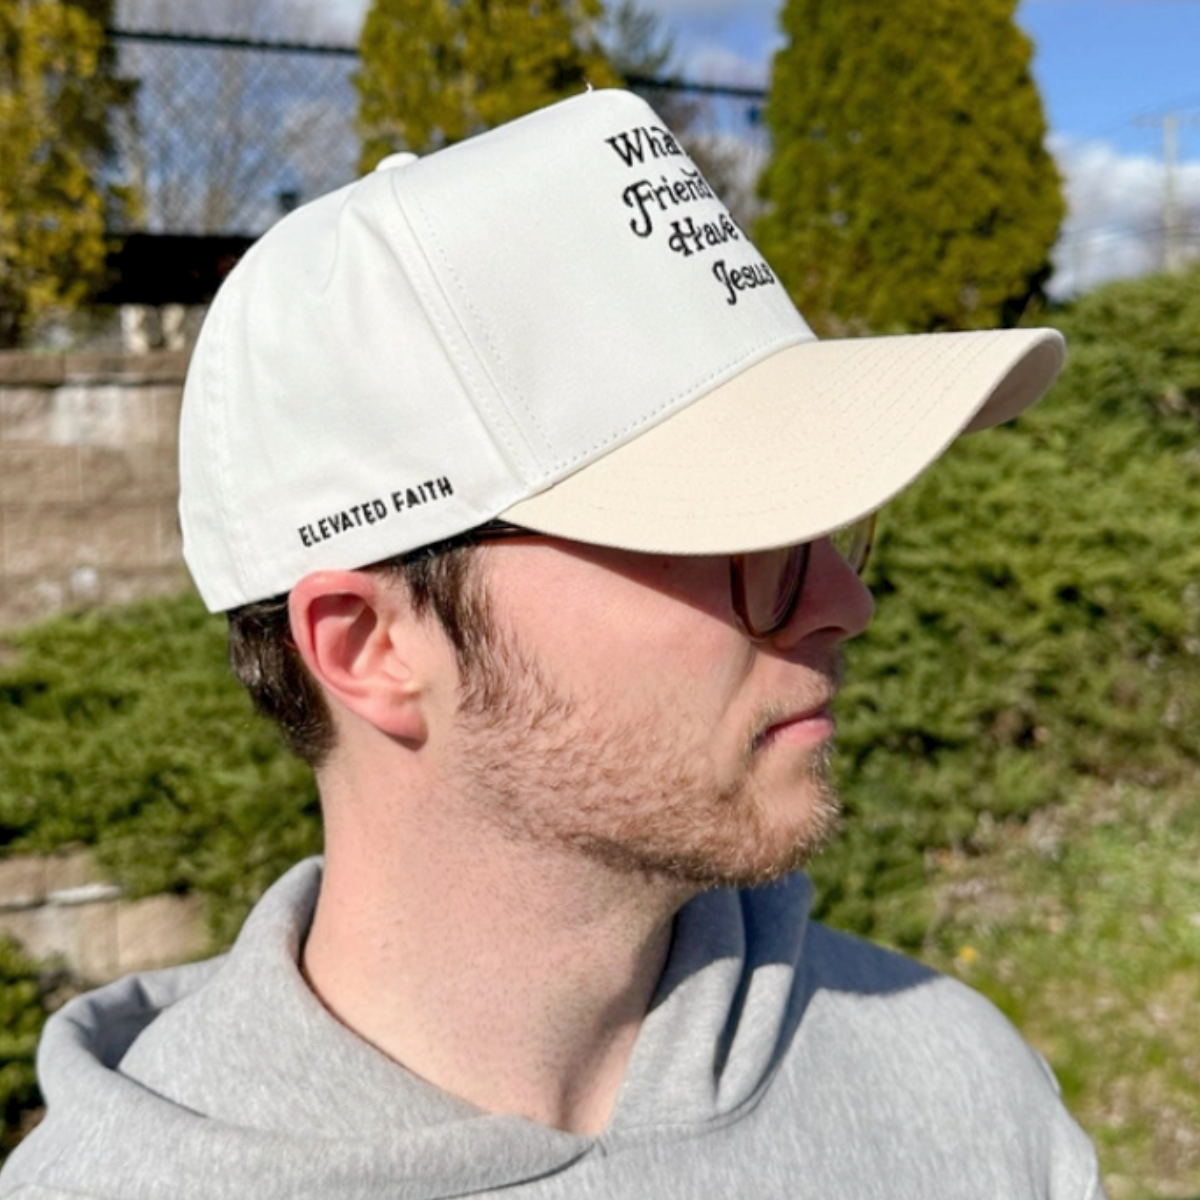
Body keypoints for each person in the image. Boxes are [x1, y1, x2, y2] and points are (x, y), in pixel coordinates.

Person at [0, 89, 1106, 1200]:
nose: (838, 599)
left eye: (824, 521)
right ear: (370, 646)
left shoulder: (963, 1094)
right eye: (736, 528)